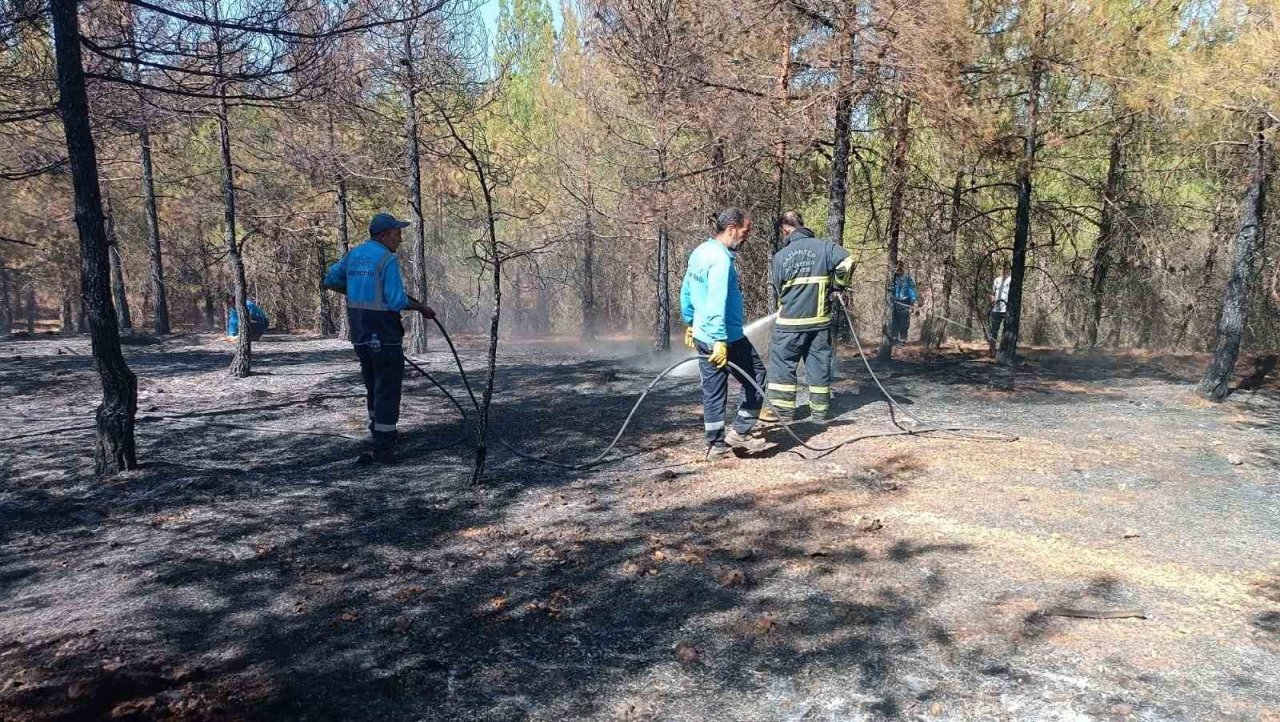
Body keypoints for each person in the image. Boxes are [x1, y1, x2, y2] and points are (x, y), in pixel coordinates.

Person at [324, 212, 435, 464]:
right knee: (387, 387)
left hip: (360, 332)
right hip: (384, 333)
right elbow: (395, 300)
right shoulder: (387, 259)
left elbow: (331, 279)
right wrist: (421, 308)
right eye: (397, 234)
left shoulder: (354, 255)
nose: (400, 239)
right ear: (384, 235)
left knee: (373, 384)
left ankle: (378, 430)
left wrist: (352, 288)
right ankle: (384, 445)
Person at [679, 208, 768, 457]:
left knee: (714, 388)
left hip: (703, 334)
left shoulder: (700, 252)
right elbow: (717, 300)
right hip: (725, 336)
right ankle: (740, 432)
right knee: (757, 377)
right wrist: (720, 340)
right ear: (731, 229)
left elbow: (686, 289)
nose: (746, 236)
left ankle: (715, 444)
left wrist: (690, 321)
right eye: (745, 231)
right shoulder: (720, 259)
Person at [766, 211, 853, 423]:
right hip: (818, 322)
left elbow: (779, 288)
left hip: (789, 324)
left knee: (783, 366)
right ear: (801, 225)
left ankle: (785, 413)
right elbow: (847, 262)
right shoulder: (824, 247)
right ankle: (820, 412)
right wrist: (838, 286)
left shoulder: (780, 257)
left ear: (785, 229)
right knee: (818, 366)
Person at [890, 261, 917, 344]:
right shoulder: (892, 279)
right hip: (894, 303)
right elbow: (891, 290)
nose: (898, 271)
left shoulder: (908, 279)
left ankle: (902, 341)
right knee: (894, 323)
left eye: (899, 267)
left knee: (904, 324)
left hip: (905, 303)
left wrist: (913, 303)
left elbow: (912, 291)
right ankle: (894, 341)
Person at [989, 262, 1011, 351]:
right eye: (1005, 268)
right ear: (1003, 269)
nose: (1006, 270)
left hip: (1006, 309)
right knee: (994, 330)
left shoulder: (1012, 280)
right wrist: (992, 303)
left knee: (1006, 331)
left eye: (1008, 268)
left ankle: (1004, 350)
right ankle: (992, 349)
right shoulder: (997, 280)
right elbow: (992, 293)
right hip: (996, 309)